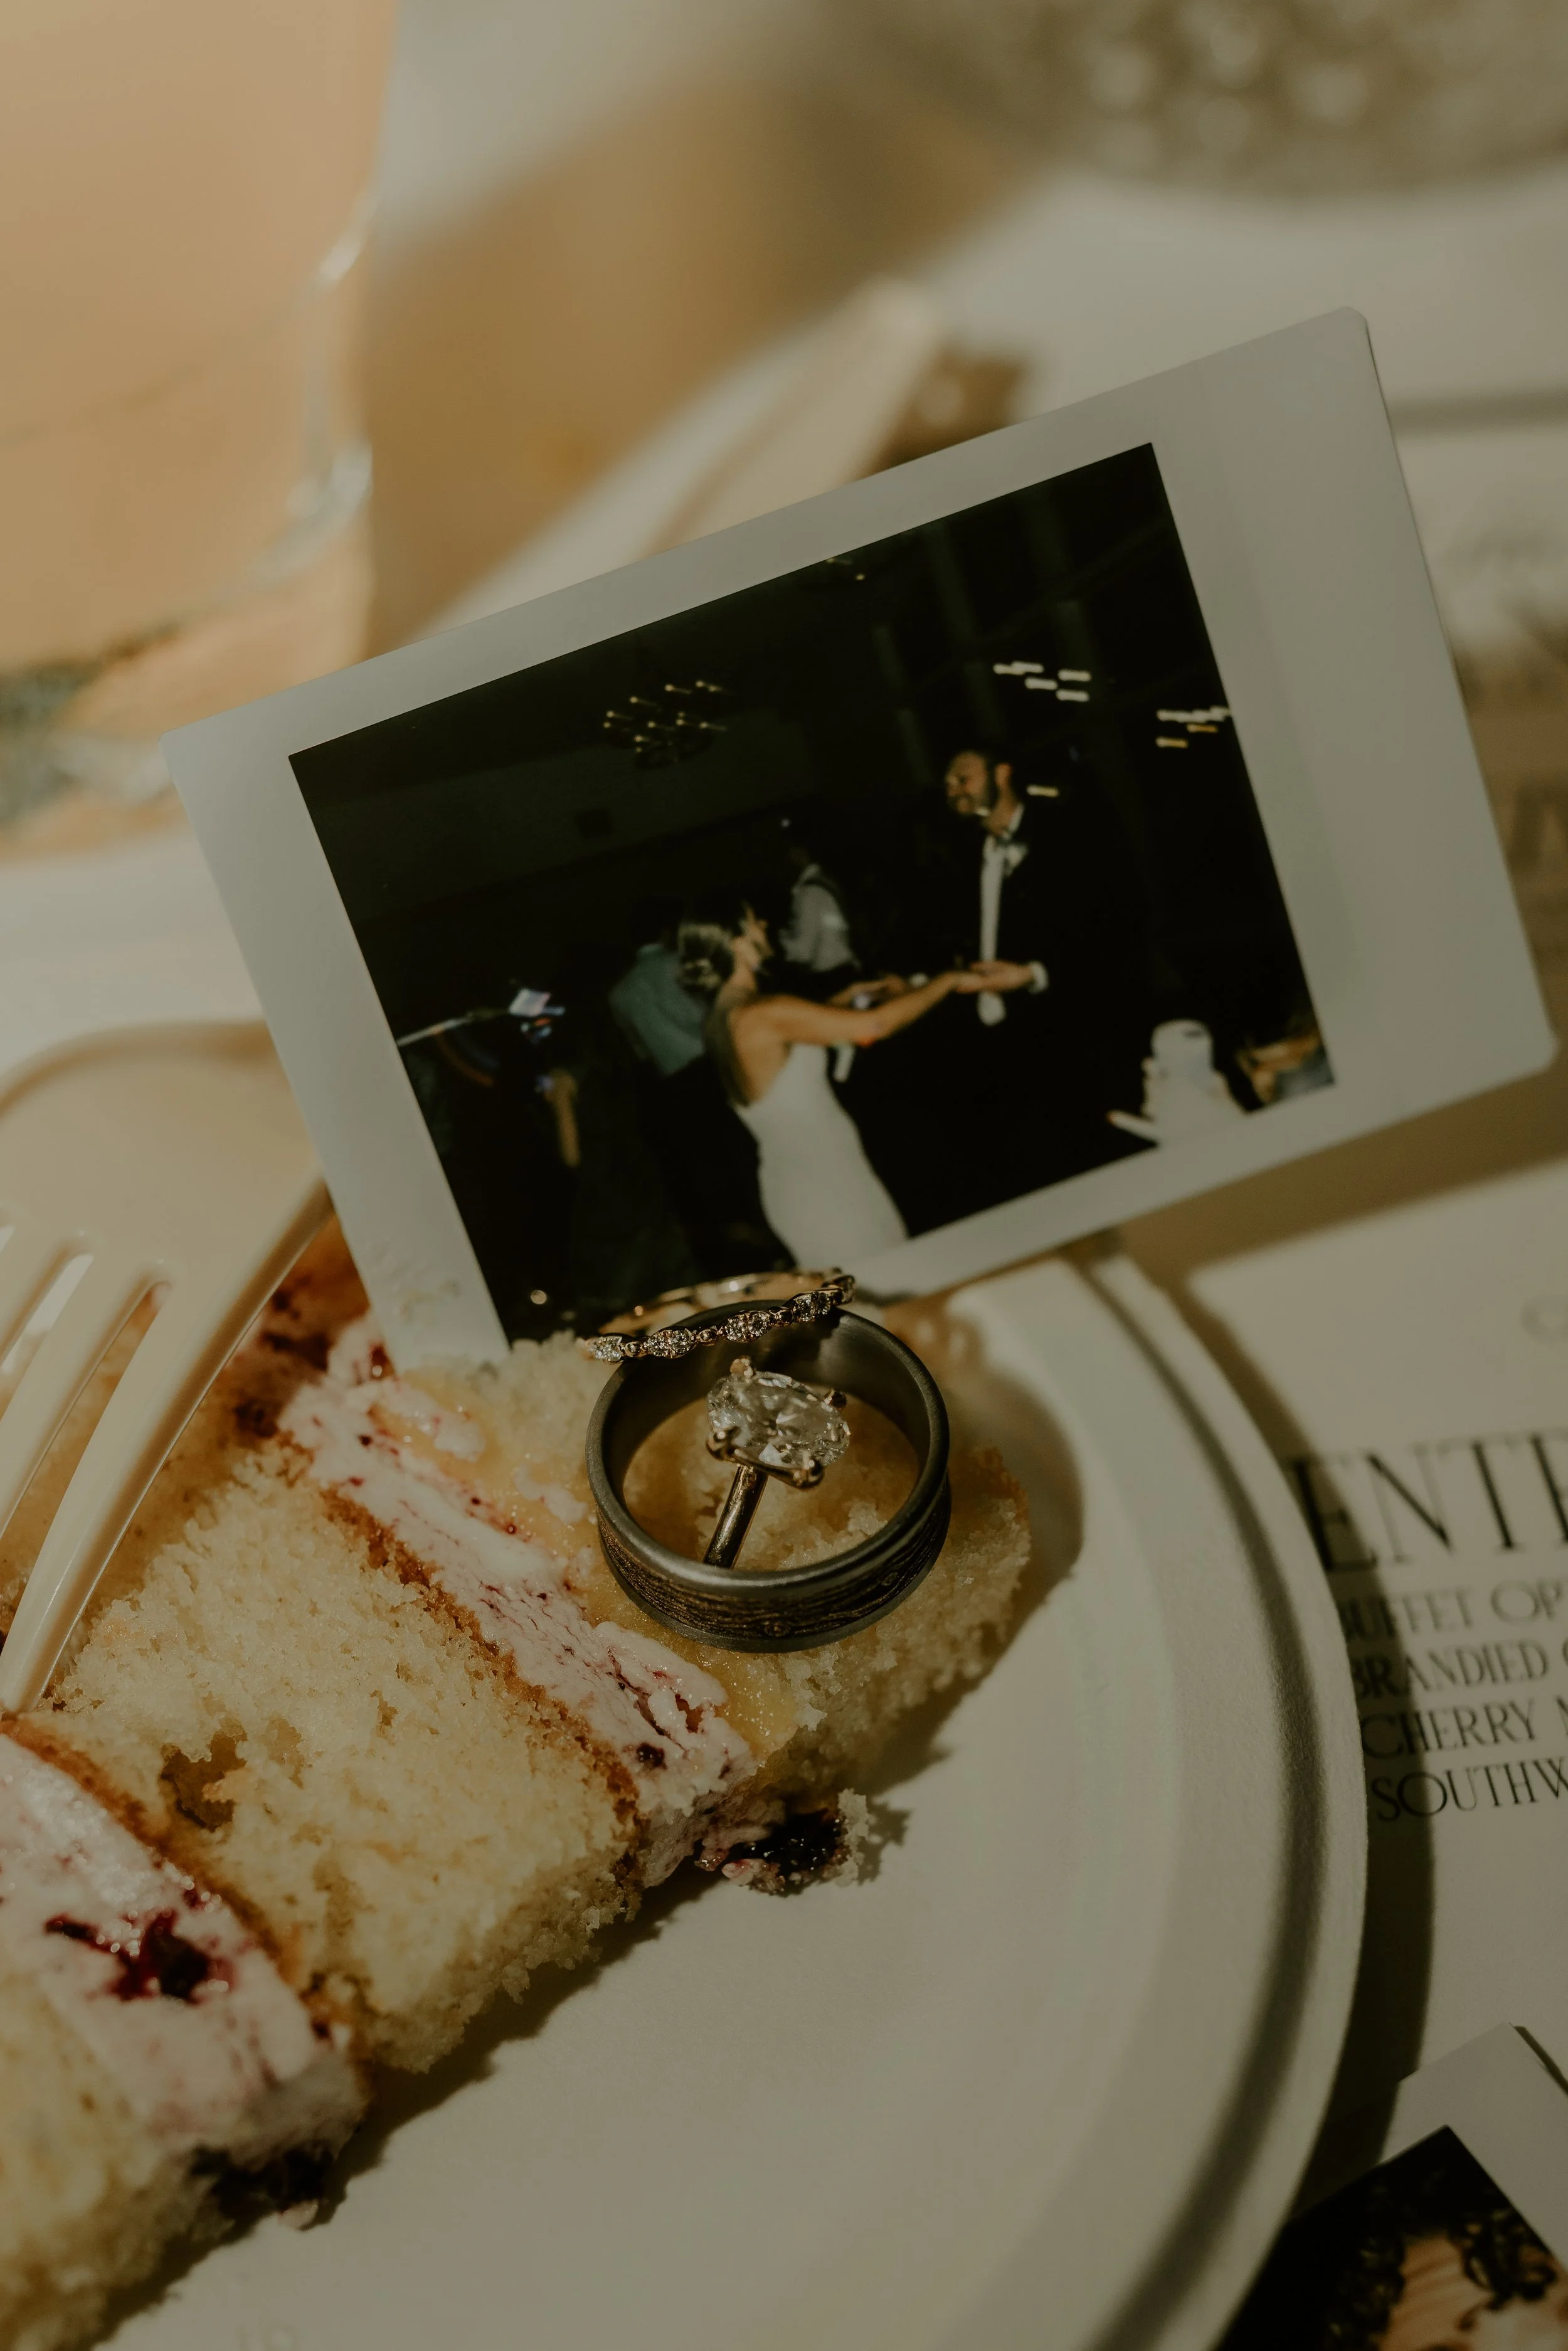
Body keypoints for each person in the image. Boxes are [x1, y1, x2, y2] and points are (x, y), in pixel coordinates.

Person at [677, 894, 994, 1270]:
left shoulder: (722, 1017)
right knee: (886, 1287)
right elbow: (872, 1027)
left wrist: (849, 997)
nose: (764, 925)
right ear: (735, 941)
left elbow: (789, 1035)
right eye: (754, 921)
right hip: (827, 1186)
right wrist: (949, 980)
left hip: (797, 1178)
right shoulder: (763, 1014)